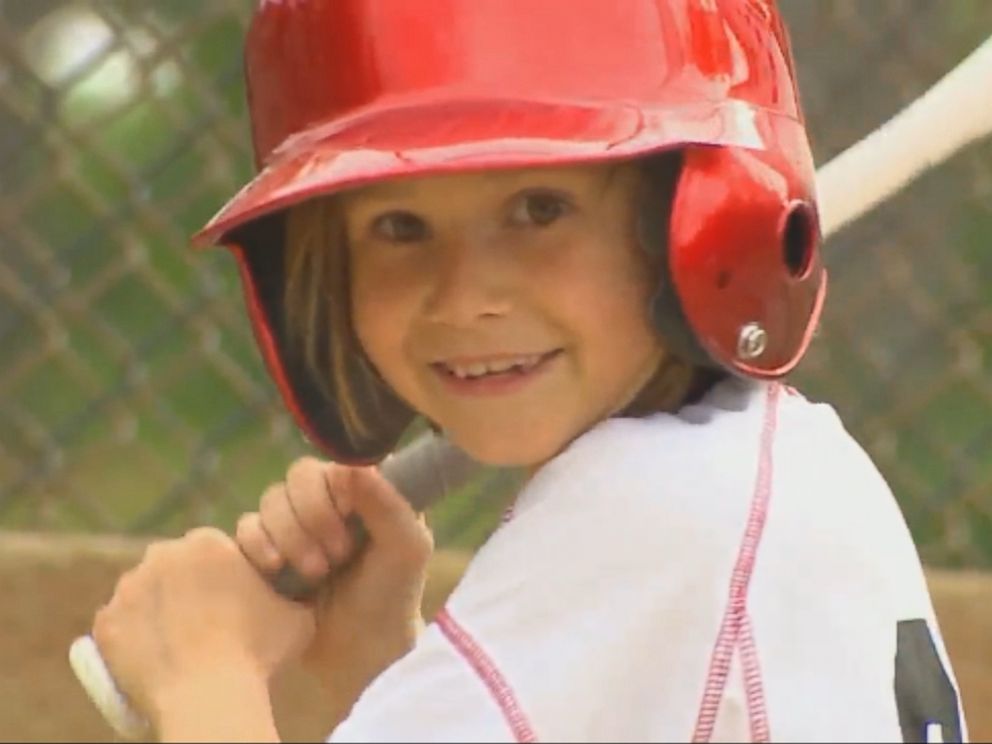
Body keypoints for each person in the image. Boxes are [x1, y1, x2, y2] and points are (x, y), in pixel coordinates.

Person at [87, 1, 969, 741]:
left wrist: (202, 676)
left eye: (538, 209)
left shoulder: (650, 510)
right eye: (399, 227)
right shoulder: (764, 469)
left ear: (695, 219)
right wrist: (370, 664)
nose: (464, 297)